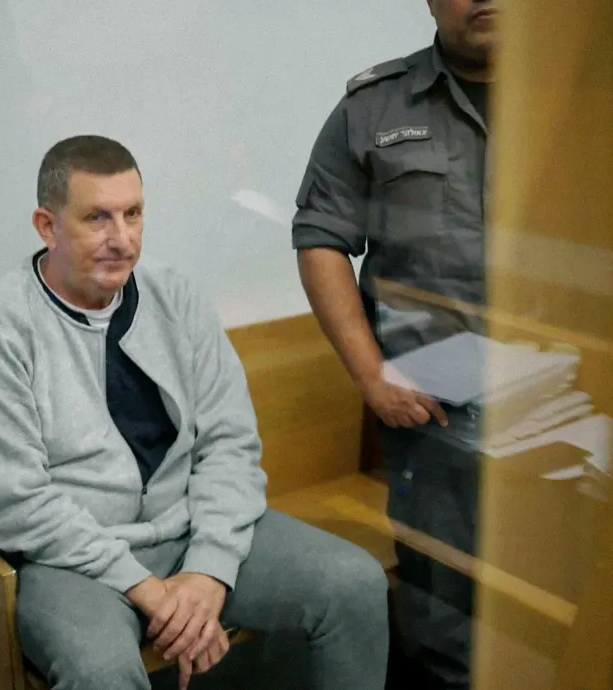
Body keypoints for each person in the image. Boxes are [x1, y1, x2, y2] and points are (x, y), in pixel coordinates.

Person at [0, 135, 389, 690]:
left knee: (354, 584)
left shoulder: (175, 296)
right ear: (47, 226)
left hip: (190, 526)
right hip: (71, 559)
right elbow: (15, 504)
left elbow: (229, 442)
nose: (122, 239)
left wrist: (208, 571)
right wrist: (153, 593)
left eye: (133, 214)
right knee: (102, 672)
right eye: (97, 218)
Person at [291, 1, 496, 687]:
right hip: (437, 415)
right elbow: (320, 239)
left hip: (563, 401)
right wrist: (371, 375)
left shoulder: (579, 106)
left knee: (560, 610)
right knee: (445, 624)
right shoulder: (375, 107)